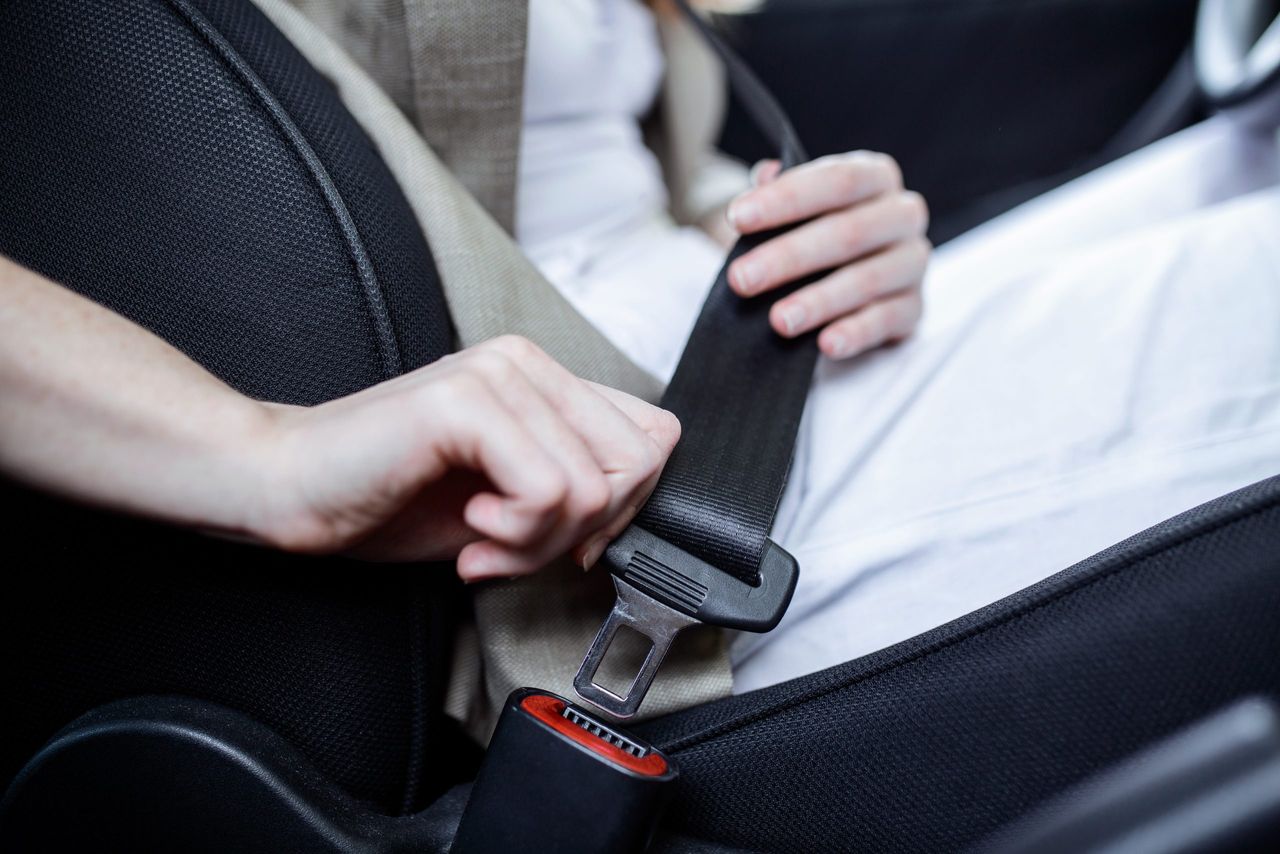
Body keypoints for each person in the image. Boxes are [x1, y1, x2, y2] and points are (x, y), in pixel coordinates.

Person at [2, 0, 1279, 723]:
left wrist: (807, 237)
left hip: (738, 379)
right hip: (647, 538)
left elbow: (573, 176)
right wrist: (255, 451)